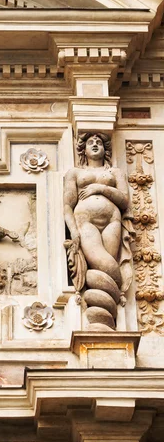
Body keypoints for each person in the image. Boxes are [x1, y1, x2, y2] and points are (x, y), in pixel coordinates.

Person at [64, 133, 134, 329]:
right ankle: (100, 327)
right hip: (85, 220)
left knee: (109, 266)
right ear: (83, 150)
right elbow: (67, 206)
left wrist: (99, 188)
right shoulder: (75, 173)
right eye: (90, 142)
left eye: (99, 142)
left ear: (105, 149)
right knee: (101, 263)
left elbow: (124, 200)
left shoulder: (115, 172)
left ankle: (108, 323)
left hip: (112, 220)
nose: (95, 144)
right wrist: (73, 231)